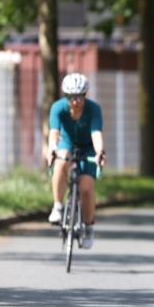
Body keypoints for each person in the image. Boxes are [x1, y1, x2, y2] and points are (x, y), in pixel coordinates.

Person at [46, 73, 106, 249]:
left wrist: (99, 152)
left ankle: (88, 228)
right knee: (61, 160)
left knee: (86, 188)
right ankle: (58, 206)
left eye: (79, 97)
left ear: (85, 95)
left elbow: (96, 133)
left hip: (88, 147)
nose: (75, 101)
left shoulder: (94, 109)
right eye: (71, 97)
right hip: (67, 143)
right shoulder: (58, 108)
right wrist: (52, 148)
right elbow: (54, 132)